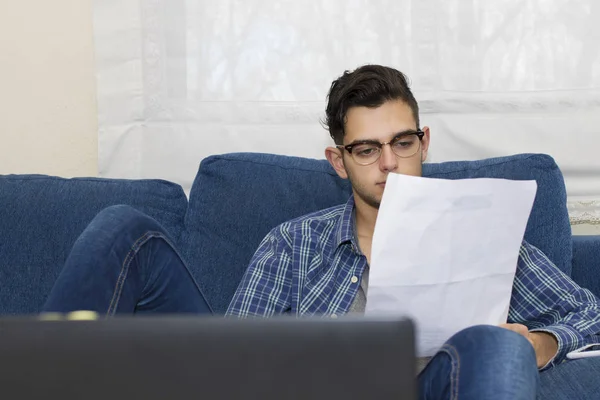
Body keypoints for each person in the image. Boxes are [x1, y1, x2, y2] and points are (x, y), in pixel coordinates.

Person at [45, 65, 600, 399]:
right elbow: (230, 360)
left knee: (500, 347)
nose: (389, 164)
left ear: (425, 142)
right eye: (367, 149)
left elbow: (590, 313)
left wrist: (542, 342)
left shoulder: (483, 233)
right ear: (339, 161)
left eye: (403, 143)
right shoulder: (293, 245)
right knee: (125, 229)